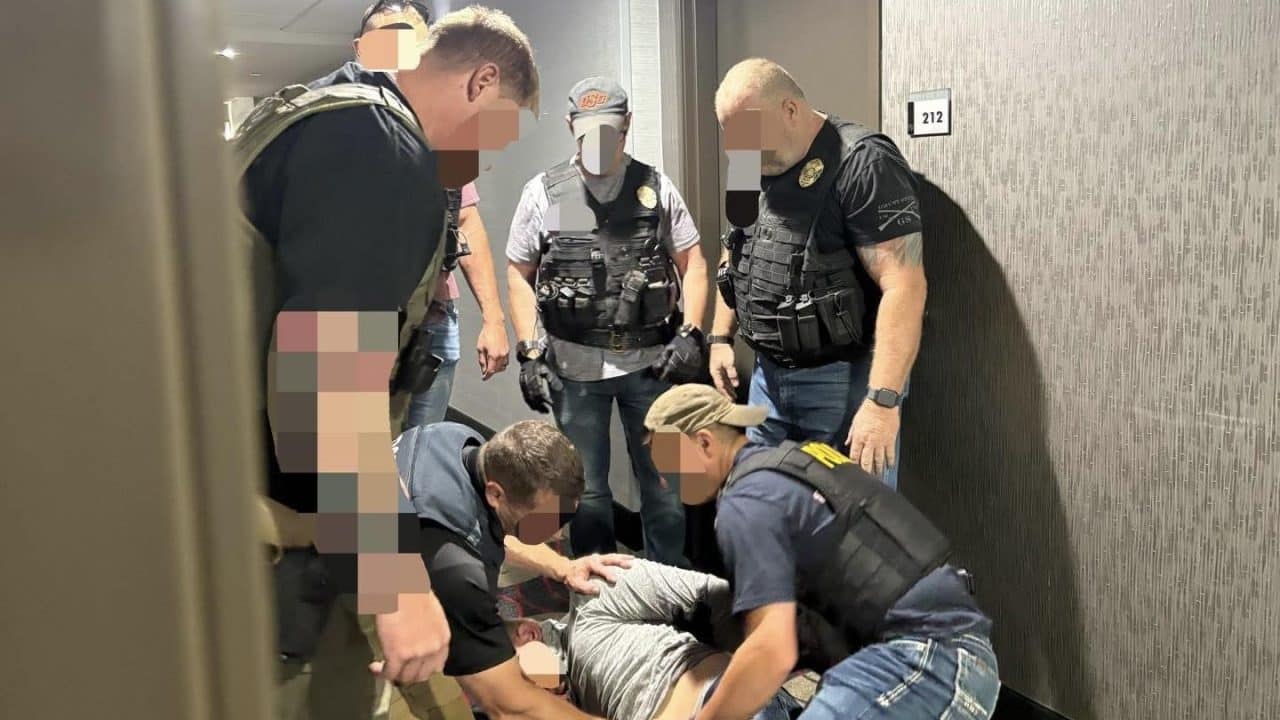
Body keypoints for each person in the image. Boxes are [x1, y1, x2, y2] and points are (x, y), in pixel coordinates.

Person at [237, 6, 538, 719]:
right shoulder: (382, 152)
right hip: (267, 521)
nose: (488, 156)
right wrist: (394, 580)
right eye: (498, 129)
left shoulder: (321, 110)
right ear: (480, 81)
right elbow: (324, 376)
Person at [643, 384, 999, 719]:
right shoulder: (789, 468)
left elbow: (771, 651)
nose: (664, 481)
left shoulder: (745, 504)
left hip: (927, 659)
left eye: (668, 464)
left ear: (704, 443)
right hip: (955, 651)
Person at [506, 76, 710, 567]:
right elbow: (518, 272)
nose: (597, 144)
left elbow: (695, 263)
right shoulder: (545, 193)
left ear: (627, 126)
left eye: (608, 133)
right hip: (574, 369)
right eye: (587, 134)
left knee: (664, 487)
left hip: (652, 366)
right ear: (570, 127)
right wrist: (529, 352)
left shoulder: (655, 188)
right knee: (587, 492)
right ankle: (598, 590)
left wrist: (692, 333)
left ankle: (665, 584)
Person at [707, 58, 927, 489]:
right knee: (766, 509)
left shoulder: (864, 162)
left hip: (842, 383)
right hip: (767, 383)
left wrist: (882, 402)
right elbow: (735, 250)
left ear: (790, 110)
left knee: (850, 519)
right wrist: (719, 337)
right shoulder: (749, 163)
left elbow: (905, 284)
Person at [394, 419, 632, 720]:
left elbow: (492, 530)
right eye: (546, 519)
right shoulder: (458, 570)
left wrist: (564, 567)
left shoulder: (454, 440)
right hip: (361, 626)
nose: (558, 535)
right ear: (495, 494)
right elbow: (509, 707)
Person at [352, 1, 511, 428]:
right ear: (361, 49)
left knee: (419, 447)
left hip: (434, 320)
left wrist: (494, 320)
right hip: (356, 324)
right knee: (353, 454)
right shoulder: (335, 126)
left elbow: (465, 220)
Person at [505, 559, 805, 720]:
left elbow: (714, 595)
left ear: (528, 634)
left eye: (514, 680)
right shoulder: (568, 698)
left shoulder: (592, 599)